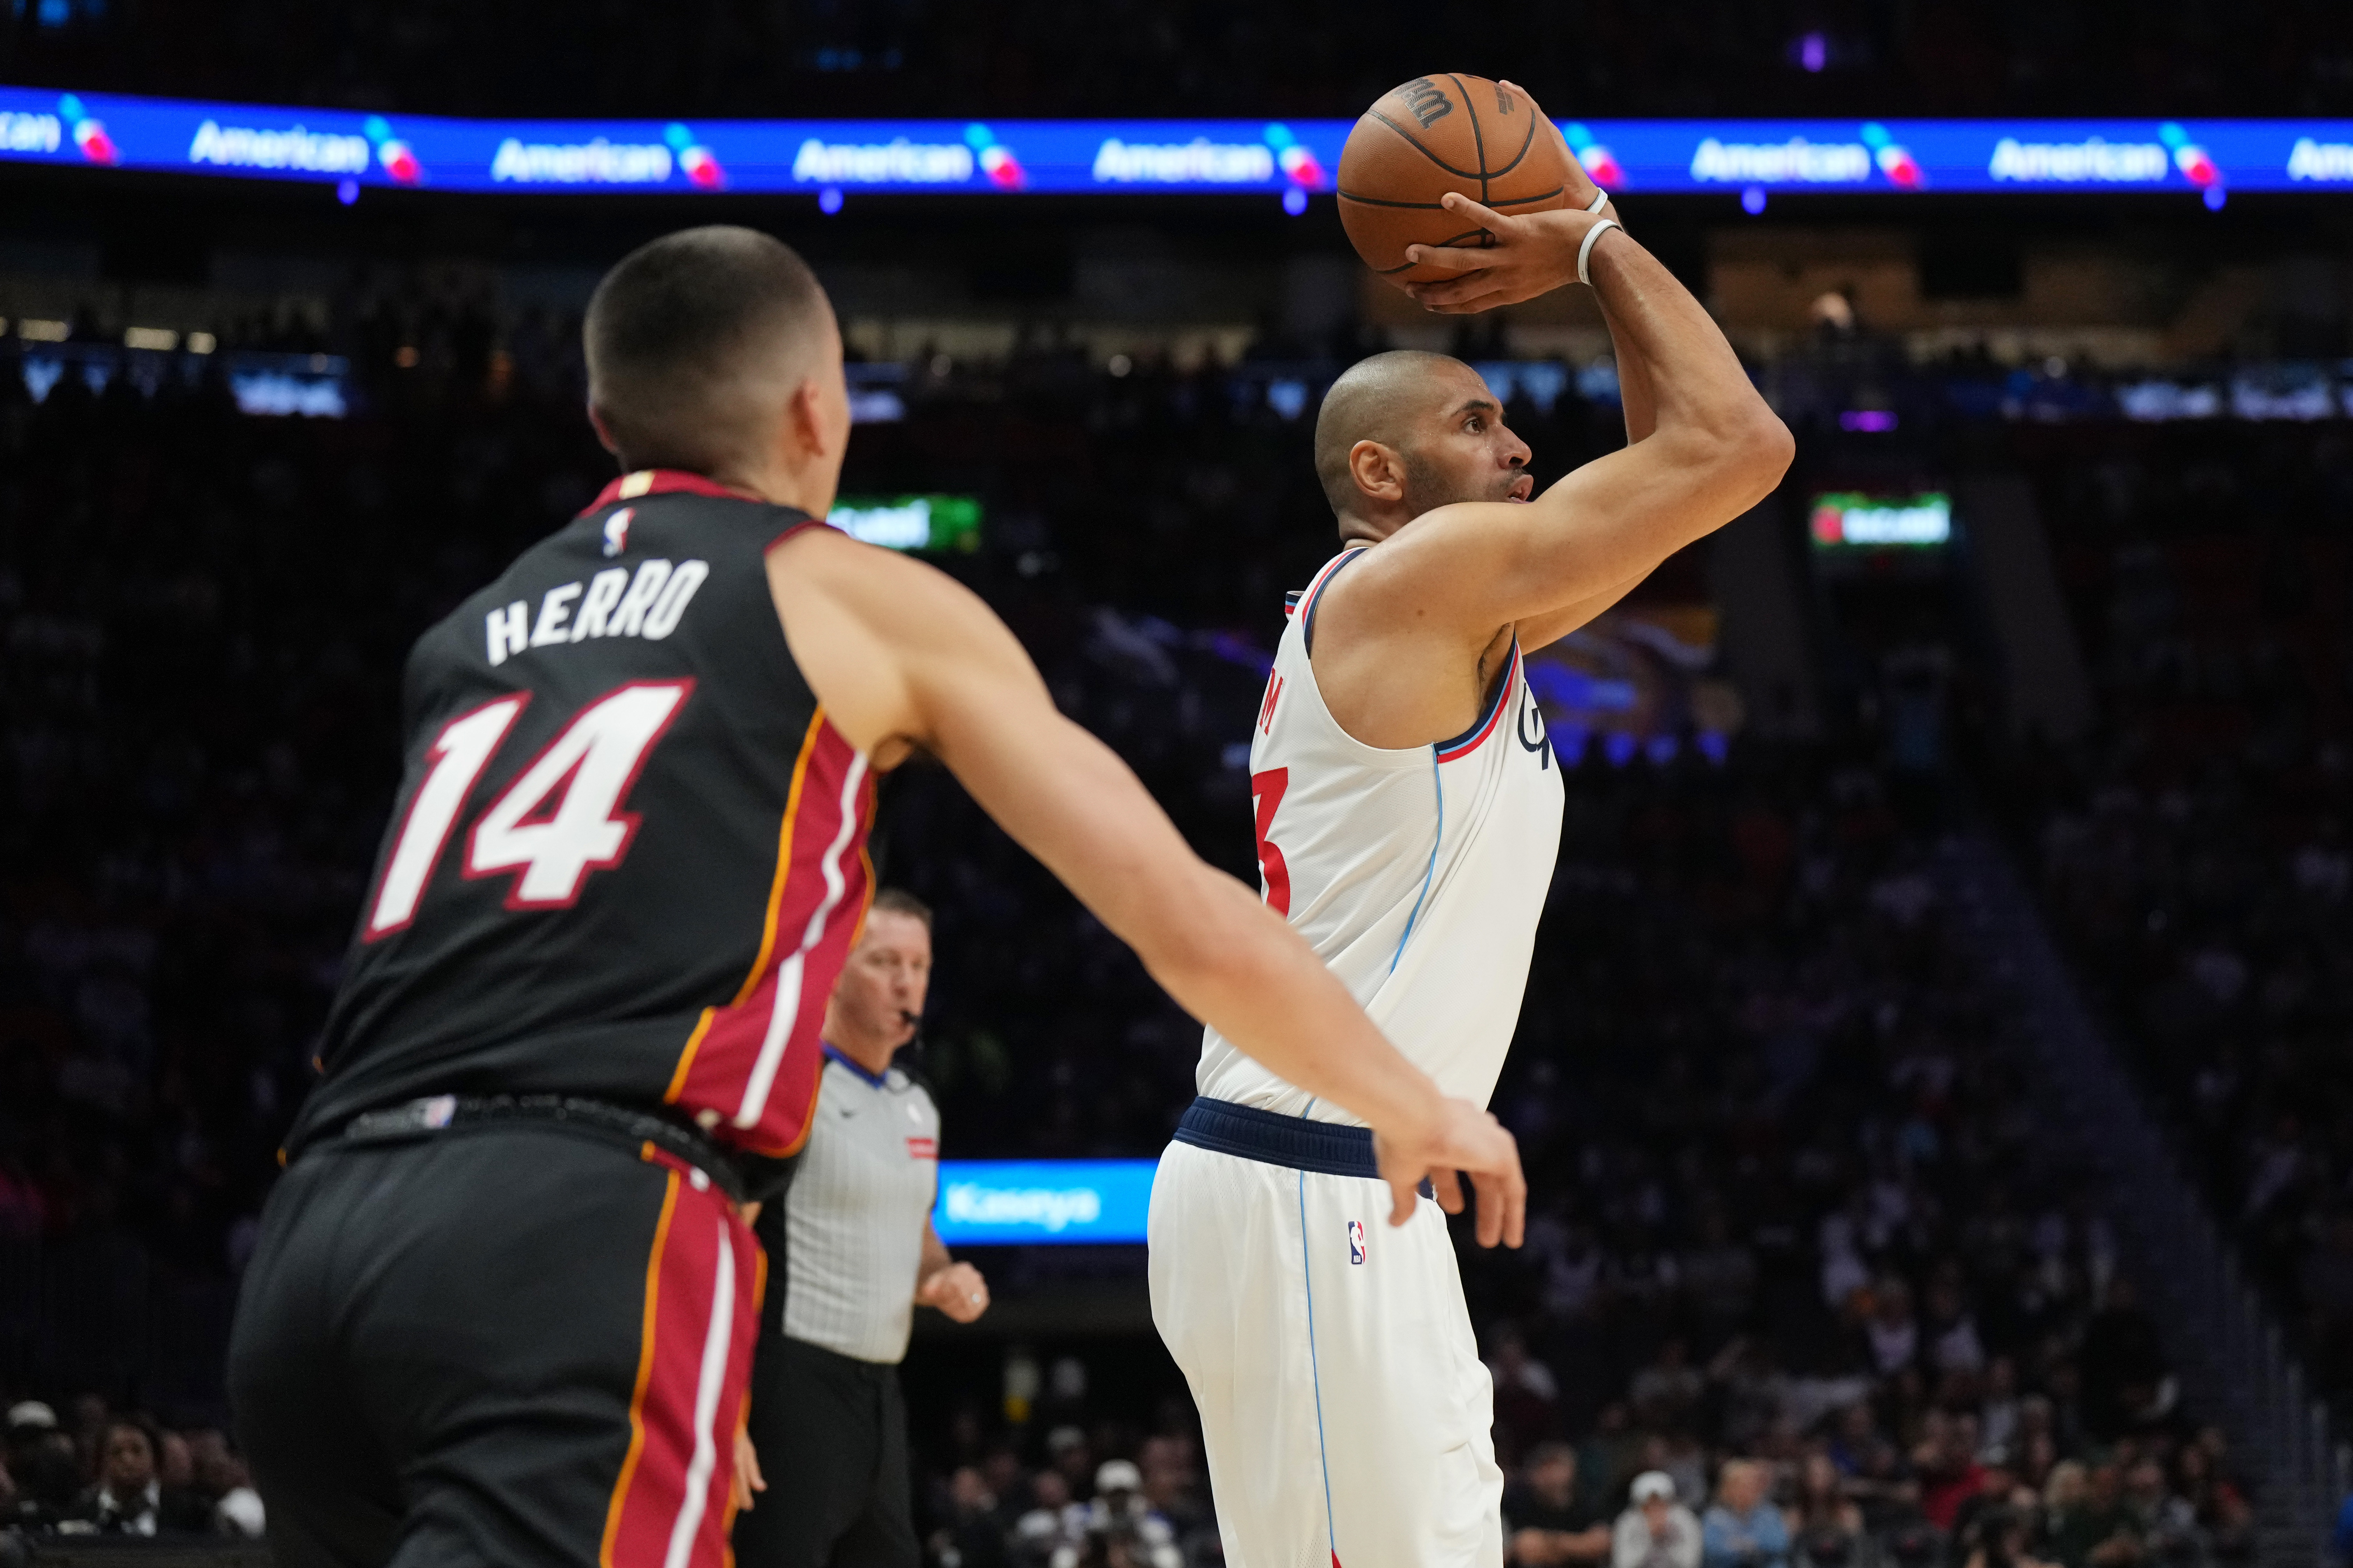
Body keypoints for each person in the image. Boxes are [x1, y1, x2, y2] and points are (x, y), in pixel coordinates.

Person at [225, 224, 1527, 1568]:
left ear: (604, 418)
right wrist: (1413, 1099)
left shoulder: (470, 628)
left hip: (316, 1227)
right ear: (813, 407)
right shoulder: (850, 595)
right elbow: (1173, 908)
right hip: (573, 1225)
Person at [1147, 83, 1792, 1568]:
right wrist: (1590, 243)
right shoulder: (1401, 585)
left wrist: (1594, 262)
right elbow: (1739, 443)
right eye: (1475, 419)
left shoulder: (1450, 623)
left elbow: (1680, 477)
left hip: (1357, 1179)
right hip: (1304, 1172)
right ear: (1377, 473)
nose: (1517, 445)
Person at [734, 889, 986, 1568]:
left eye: (919, 964)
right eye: (883, 962)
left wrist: (940, 1277)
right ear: (837, 970)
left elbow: (916, 1233)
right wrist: (726, 1414)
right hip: (789, 1383)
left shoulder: (917, 1104)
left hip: (880, 1393)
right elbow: (723, 1241)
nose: (906, 982)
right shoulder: (792, 1084)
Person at [69, 1418, 210, 1536]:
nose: (127, 1460)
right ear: (101, 1463)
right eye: (116, 1452)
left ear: (156, 1459)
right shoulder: (80, 1513)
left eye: (137, 1451)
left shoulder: (193, 1512)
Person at [1506, 1443, 1614, 1567]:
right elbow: (1525, 1548)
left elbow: (1601, 1545)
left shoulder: (1586, 1501)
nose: (1552, 1477)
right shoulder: (1520, 1504)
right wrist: (1577, 1545)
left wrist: (1551, 1544)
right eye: (1545, 1469)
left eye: (1557, 1467)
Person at [1701, 1461, 1791, 1568]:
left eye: (1753, 1485)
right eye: (1743, 1485)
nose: (1750, 1490)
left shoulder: (1769, 1514)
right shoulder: (1715, 1517)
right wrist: (1753, 1546)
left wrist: (1743, 1544)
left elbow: (1779, 1544)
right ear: (1728, 1488)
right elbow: (1713, 1549)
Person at [1615, 1472, 1704, 1568]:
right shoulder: (1628, 1522)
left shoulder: (1684, 1519)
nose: (1655, 1509)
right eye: (1648, 1505)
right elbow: (1623, 1565)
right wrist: (1649, 1538)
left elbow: (1690, 1564)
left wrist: (1665, 1539)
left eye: (1660, 1503)